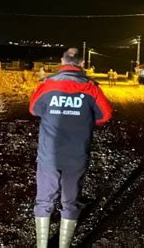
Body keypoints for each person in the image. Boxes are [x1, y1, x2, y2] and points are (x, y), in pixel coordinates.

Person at [29, 48, 113, 248]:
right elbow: (105, 115)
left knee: (44, 199)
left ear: (61, 61)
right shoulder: (91, 88)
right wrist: (82, 117)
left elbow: (34, 109)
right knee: (70, 200)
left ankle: (42, 245)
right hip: (76, 154)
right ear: (82, 64)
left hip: (49, 154)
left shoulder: (48, 85)